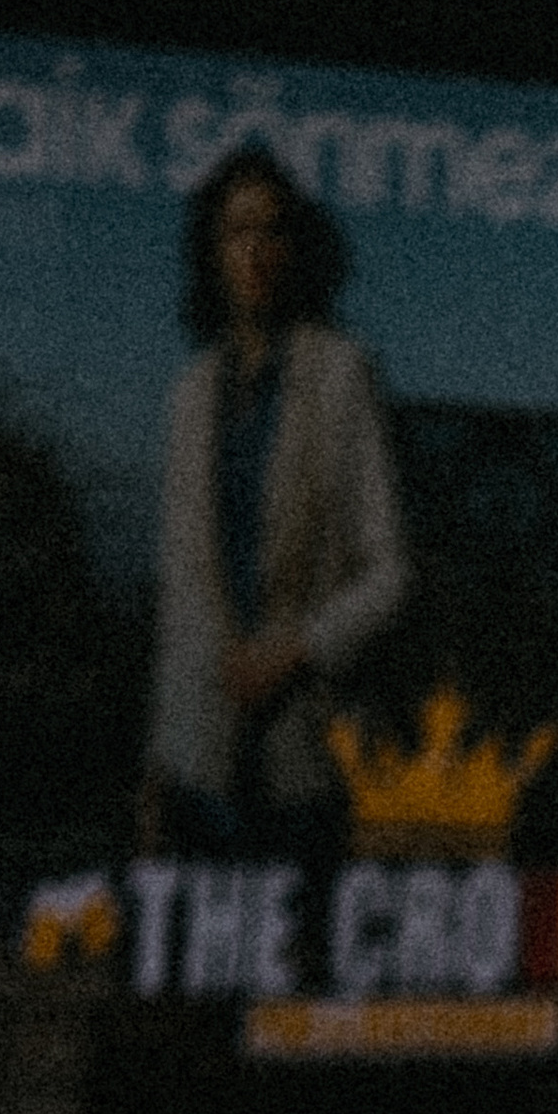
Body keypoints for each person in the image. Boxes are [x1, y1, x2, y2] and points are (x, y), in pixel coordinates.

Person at [145, 148, 411, 862]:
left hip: (309, 762)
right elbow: (179, 590)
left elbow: (389, 577)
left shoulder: (339, 374)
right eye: (236, 232)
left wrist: (295, 651)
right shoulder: (192, 393)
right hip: (200, 763)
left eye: (271, 231)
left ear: (295, 247)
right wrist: (157, 766)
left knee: (303, 967)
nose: (255, 250)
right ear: (213, 251)